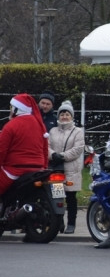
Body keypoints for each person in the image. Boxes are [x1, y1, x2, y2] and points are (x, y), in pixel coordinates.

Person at [0, 94, 49, 200]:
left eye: (11, 107)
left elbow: (1, 150)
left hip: (15, 170)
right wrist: (44, 167)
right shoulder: (40, 125)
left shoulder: (11, 126)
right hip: (38, 169)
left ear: (16, 109)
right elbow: (45, 149)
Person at [47, 100, 85, 233]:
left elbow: (78, 149)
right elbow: (46, 146)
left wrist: (62, 156)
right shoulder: (53, 131)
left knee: (70, 197)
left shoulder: (78, 131)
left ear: (72, 116)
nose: (64, 117)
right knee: (57, 196)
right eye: (62, 114)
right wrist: (53, 155)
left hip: (71, 169)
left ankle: (71, 223)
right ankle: (59, 223)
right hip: (56, 169)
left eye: (67, 114)